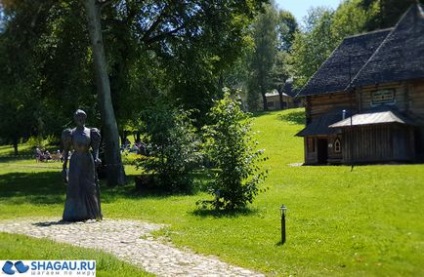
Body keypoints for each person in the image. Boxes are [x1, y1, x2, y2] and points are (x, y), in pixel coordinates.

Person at [61, 109, 102, 222]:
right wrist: (64, 166)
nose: (80, 119)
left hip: (87, 161)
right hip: (75, 161)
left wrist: (96, 158)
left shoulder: (91, 132)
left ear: (85, 118)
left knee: (90, 186)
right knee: (75, 186)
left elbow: (95, 148)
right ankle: (75, 213)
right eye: (78, 117)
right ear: (75, 119)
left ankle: (92, 213)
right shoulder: (70, 133)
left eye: (82, 117)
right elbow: (66, 150)